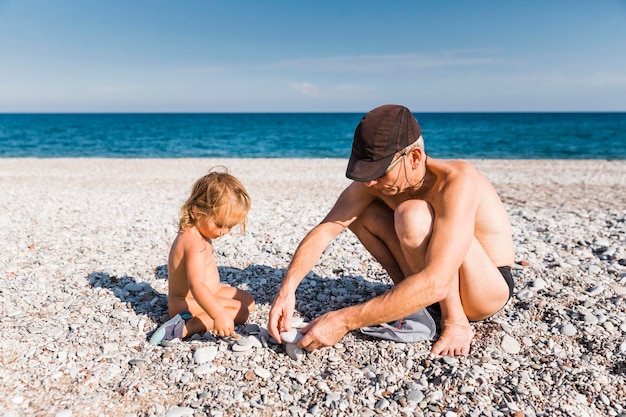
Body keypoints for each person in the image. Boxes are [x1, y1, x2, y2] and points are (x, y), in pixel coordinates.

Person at [268, 104, 514, 356]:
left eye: (379, 171)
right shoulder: (373, 184)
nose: (371, 181)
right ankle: (413, 304)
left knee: (414, 214)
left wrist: (343, 320)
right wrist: (286, 291)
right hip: (433, 282)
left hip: (484, 290)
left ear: (415, 157)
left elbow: (438, 281)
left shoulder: (457, 182)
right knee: (361, 213)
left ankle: (455, 322)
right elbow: (325, 231)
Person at [150, 168, 255, 345]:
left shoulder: (199, 234)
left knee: (249, 302)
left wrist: (215, 287)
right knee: (241, 312)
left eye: (230, 227)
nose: (224, 232)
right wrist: (218, 314)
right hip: (186, 303)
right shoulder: (194, 243)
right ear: (198, 211)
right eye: (220, 225)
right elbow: (196, 285)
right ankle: (182, 328)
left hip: (205, 293)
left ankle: (202, 313)